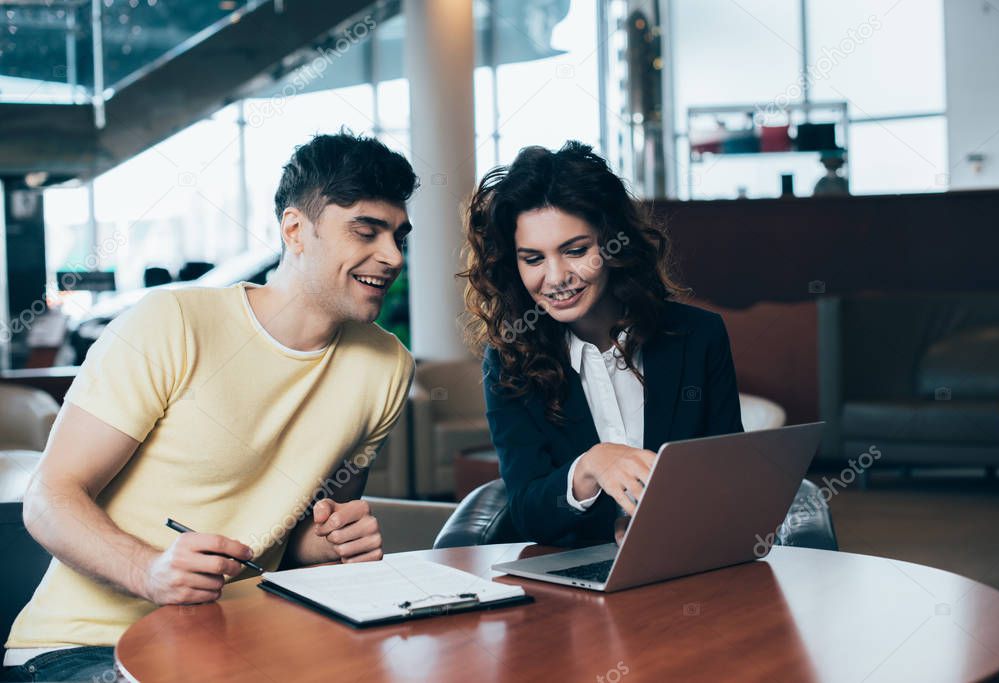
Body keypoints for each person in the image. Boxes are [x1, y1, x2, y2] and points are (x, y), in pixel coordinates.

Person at [2, 132, 417, 682]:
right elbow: (48, 499)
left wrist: (325, 545)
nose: (391, 257)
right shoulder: (171, 323)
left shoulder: (386, 366)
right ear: (295, 230)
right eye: (366, 231)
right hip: (81, 649)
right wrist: (149, 571)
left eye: (399, 236)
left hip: (233, 649)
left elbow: (305, 539)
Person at [461, 141, 744, 547]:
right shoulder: (509, 361)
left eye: (576, 251)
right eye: (533, 259)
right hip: (576, 590)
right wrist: (588, 468)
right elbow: (526, 510)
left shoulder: (699, 336)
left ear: (614, 243)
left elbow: (727, 474)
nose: (556, 278)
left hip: (690, 567)